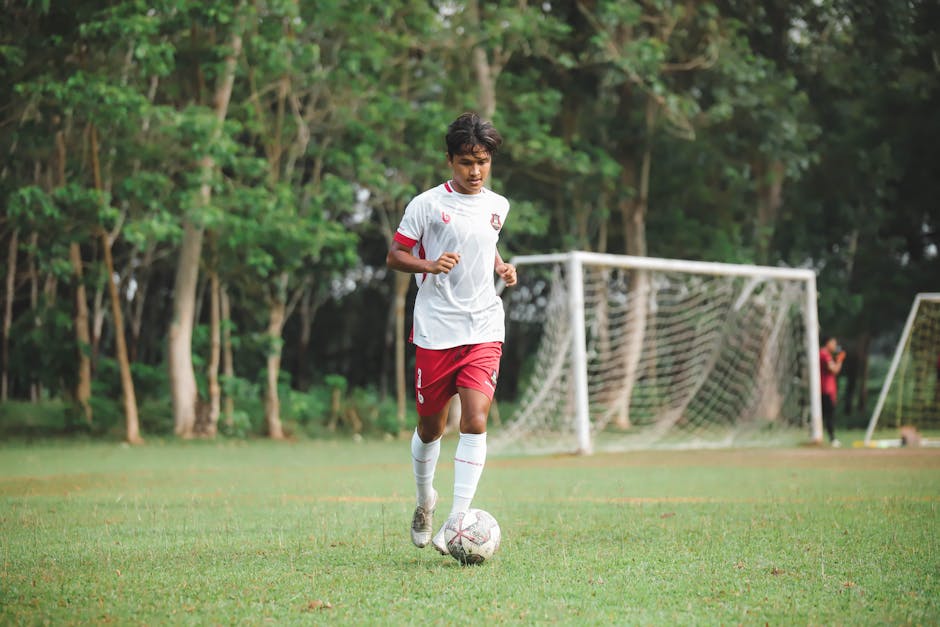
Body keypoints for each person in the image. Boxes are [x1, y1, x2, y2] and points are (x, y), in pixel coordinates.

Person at [386, 112, 517, 555]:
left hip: (483, 323)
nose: (475, 171)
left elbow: (484, 240)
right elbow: (395, 255)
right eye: (465, 162)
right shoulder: (424, 205)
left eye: (482, 161)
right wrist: (429, 265)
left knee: (475, 419)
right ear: (450, 161)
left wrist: (502, 266)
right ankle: (425, 501)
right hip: (436, 329)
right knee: (431, 428)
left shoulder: (499, 205)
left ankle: (455, 522)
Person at [819, 336, 845, 447]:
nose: (835, 346)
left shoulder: (826, 354)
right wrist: (839, 360)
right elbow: (834, 370)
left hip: (828, 389)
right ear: (827, 343)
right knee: (829, 415)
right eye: (833, 343)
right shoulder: (824, 354)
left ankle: (829, 437)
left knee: (827, 414)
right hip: (825, 389)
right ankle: (832, 438)